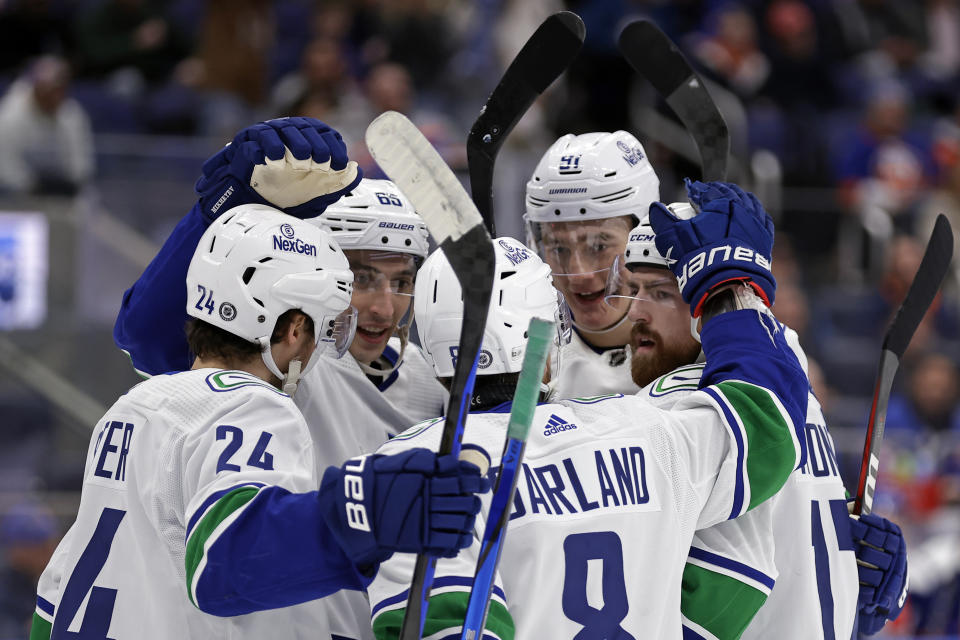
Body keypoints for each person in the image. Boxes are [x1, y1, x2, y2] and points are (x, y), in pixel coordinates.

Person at [368, 185, 810, 638]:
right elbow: (768, 421)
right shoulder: (643, 430)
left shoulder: (407, 471)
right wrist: (726, 286)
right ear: (549, 335)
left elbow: (441, 623)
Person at [31, 206, 488, 639]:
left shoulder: (129, 409)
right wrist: (366, 509)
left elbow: (56, 589)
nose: (319, 349)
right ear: (293, 330)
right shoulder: (253, 408)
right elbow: (227, 560)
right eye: (322, 328)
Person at [110, 117, 447, 637]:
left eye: (402, 280)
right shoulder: (287, 362)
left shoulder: (434, 378)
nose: (384, 308)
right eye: (362, 278)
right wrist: (224, 207)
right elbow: (148, 339)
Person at [616, 181, 907, 637]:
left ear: (705, 306)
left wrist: (853, 572)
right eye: (631, 291)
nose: (636, 312)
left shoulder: (691, 404)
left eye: (660, 293)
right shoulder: (786, 376)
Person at [523, 130, 660, 399]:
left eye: (599, 246)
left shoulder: (695, 344)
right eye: (558, 248)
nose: (579, 274)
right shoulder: (528, 358)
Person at [0, 55, 94, 195]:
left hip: (64, 194)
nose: (56, 96)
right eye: (50, 90)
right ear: (37, 87)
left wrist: (72, 183)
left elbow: (81, 161)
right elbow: (5, 164)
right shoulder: (10, 114)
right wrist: (33, 186)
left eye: (60, 90)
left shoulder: (71, 114)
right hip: (20, 195)